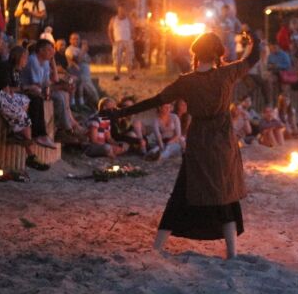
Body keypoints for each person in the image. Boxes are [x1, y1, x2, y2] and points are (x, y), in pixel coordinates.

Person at [103, 30, 261, 259]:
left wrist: (120, 113)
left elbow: (156, 100)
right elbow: (254, 56)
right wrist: (253, 37)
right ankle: (232, 254)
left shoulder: (186, 82)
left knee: (181, 193)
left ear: (196, 53)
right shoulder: (227, 73)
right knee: (225, 195)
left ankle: (157, 248)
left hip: (199, 141)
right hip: (222, 141)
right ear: (217, 53)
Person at [0, 28, 48, 169]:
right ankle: (31, 155)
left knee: (25, 100)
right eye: (1, 39)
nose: (3, 43)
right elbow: (3, 86)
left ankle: (14, 130)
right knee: (24, 117)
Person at [21, 39, 83, 142]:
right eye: (49, 50)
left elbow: (53, 80)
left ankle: (64, 128)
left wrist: (53, 62)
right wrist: (61, 87)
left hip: (39, 90)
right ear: (41, 50)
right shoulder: (33, 61)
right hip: (29, 91)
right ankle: (64, 130)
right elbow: (38, 85)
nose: (52, 52)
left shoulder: (45, 61)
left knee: (63, 94)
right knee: (59, 97)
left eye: (52, 50)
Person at [7, 46, 56, 149]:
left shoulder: (18, 71)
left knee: (37, 97)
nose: (26, 61)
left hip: (18, 95)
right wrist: (28, 87)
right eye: (25, 58)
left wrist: (29, 89)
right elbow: (7, 89)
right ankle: (37, 134)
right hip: (8, 98)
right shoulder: (8, 69)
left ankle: (41, 134)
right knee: (35, 99)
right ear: (17, 57)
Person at [66, 33, 98, 108]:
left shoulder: (79, 49)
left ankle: (93, 107)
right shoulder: (70, 50)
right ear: (70, 40)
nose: (76, 40)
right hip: (80, 75)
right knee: (92, 93)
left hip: (86, 76)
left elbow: (89, 60)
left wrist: (83, 52)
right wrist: (83, 51)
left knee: (92, 93)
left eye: (77, 39)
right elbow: (77, 60)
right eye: (74, 39)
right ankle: (96, 107)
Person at [107, 5, 135, 81]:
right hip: (117, 41)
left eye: (123, 10)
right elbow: (109, 30)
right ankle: (117, 74)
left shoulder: (129, 20)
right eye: (120, 10)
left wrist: (132, 39)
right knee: (117, 58)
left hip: (127, 41)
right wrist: (112, 40)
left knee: (129, 58)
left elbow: (133, 29)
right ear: (118, 11)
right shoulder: (113, 19)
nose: (122, 12)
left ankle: (130, 74)